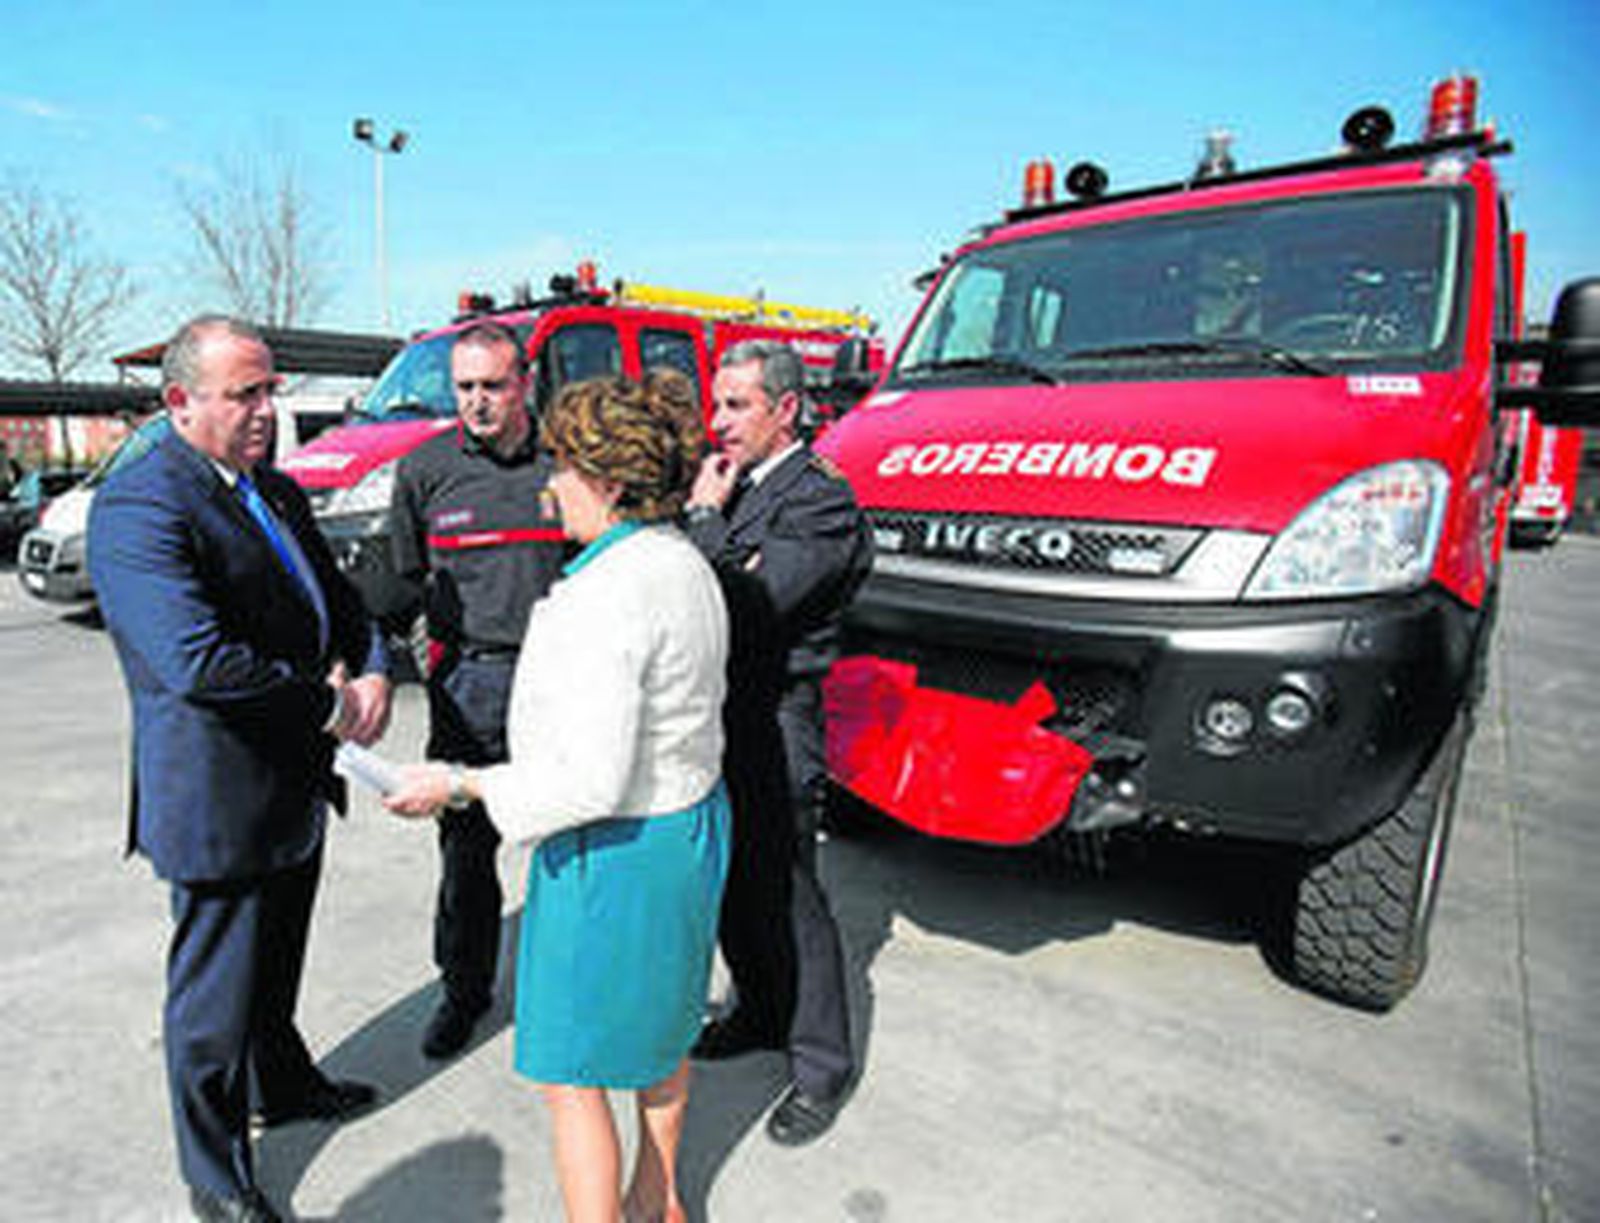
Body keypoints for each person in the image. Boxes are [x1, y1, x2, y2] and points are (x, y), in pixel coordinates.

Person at [385, 371, 730, 1223]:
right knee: (663, 1035)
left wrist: (459, 782)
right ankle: (658, 1199)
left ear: (611, 482)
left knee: (572, 1074)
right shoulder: (684, 559)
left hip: (615, 849)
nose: (550, 481)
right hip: (689, 822)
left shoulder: (605, 594)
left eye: (566, 465)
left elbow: (589, 778)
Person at [87, 316, 392, 1223]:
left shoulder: (279, 493)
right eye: (244, 394)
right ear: (180, 401)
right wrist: (331, 703)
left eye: (270, 389)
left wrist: (373, 664)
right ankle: (215, 1172)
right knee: (213, 1000)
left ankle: (285, 1083)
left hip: (294, 780)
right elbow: (194, 660)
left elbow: (343, 605)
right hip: (218, 793)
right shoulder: (143, 504)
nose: (268, 410)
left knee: (276, 965)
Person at [682, 339, 872, 1146]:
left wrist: (700, 523)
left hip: (774, 716)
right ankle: (758, 1010)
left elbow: (752, 601)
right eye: (716, 404)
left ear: (785, 409)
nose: (717, 422)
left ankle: (821, 1064)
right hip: (715, 713)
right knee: (729, 882)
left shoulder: (818, 498)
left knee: (789, 895)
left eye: (737, 405)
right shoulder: (733, 485)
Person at [388, 321, 567, 1059]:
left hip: (561, 682)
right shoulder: (424, 470)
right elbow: (403, 581)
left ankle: (566, 987)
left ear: (524, 382)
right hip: (470, 685)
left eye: (493, 385)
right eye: (464, 387)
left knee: (572, 839)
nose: (478, 401)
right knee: (466, 853)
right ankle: (463, 992)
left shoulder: (567, 463)